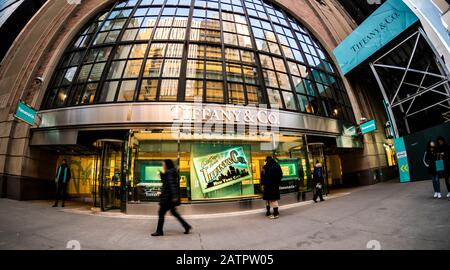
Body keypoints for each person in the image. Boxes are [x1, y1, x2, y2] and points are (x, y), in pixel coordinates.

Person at [151, 159, 191, 236]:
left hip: (168, 198)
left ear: (167, 165)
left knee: (161, 213)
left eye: (163, 165)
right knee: (174, 213)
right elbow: (167, 184)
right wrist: (162, 174)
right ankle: (186, 226)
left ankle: (159, 231)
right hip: (169, 197)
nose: (163, 166)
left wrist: (174, 196)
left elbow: (171, 185)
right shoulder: (171, 172)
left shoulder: (169, 173)